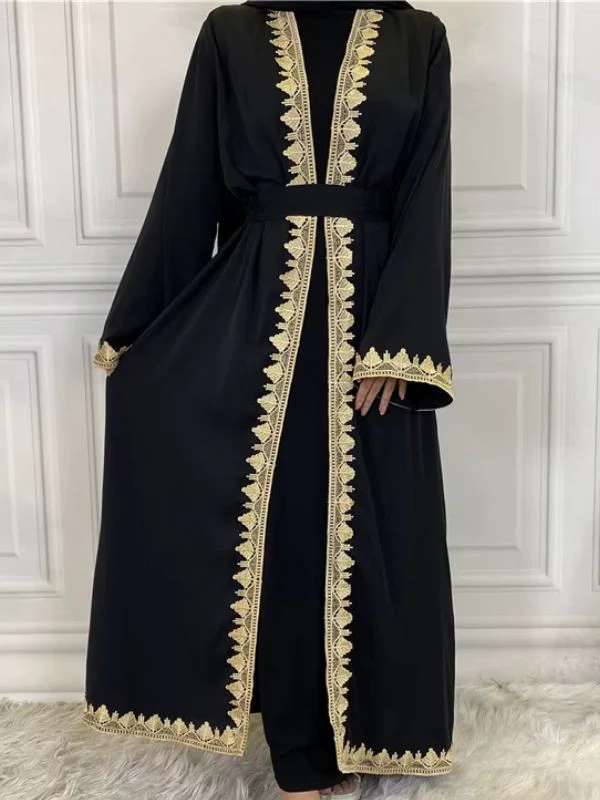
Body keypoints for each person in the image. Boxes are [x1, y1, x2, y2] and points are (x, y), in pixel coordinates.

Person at [82, 2, 455, 798]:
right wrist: (142, 332)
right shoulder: (232, 33)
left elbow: (427, 193)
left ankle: (364, 731)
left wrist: (401, 339)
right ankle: (300, 757)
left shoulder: (418, 37)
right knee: (282, 537)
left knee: (371, 531)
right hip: (256, 316)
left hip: (370, 331)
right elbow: (190, 187)